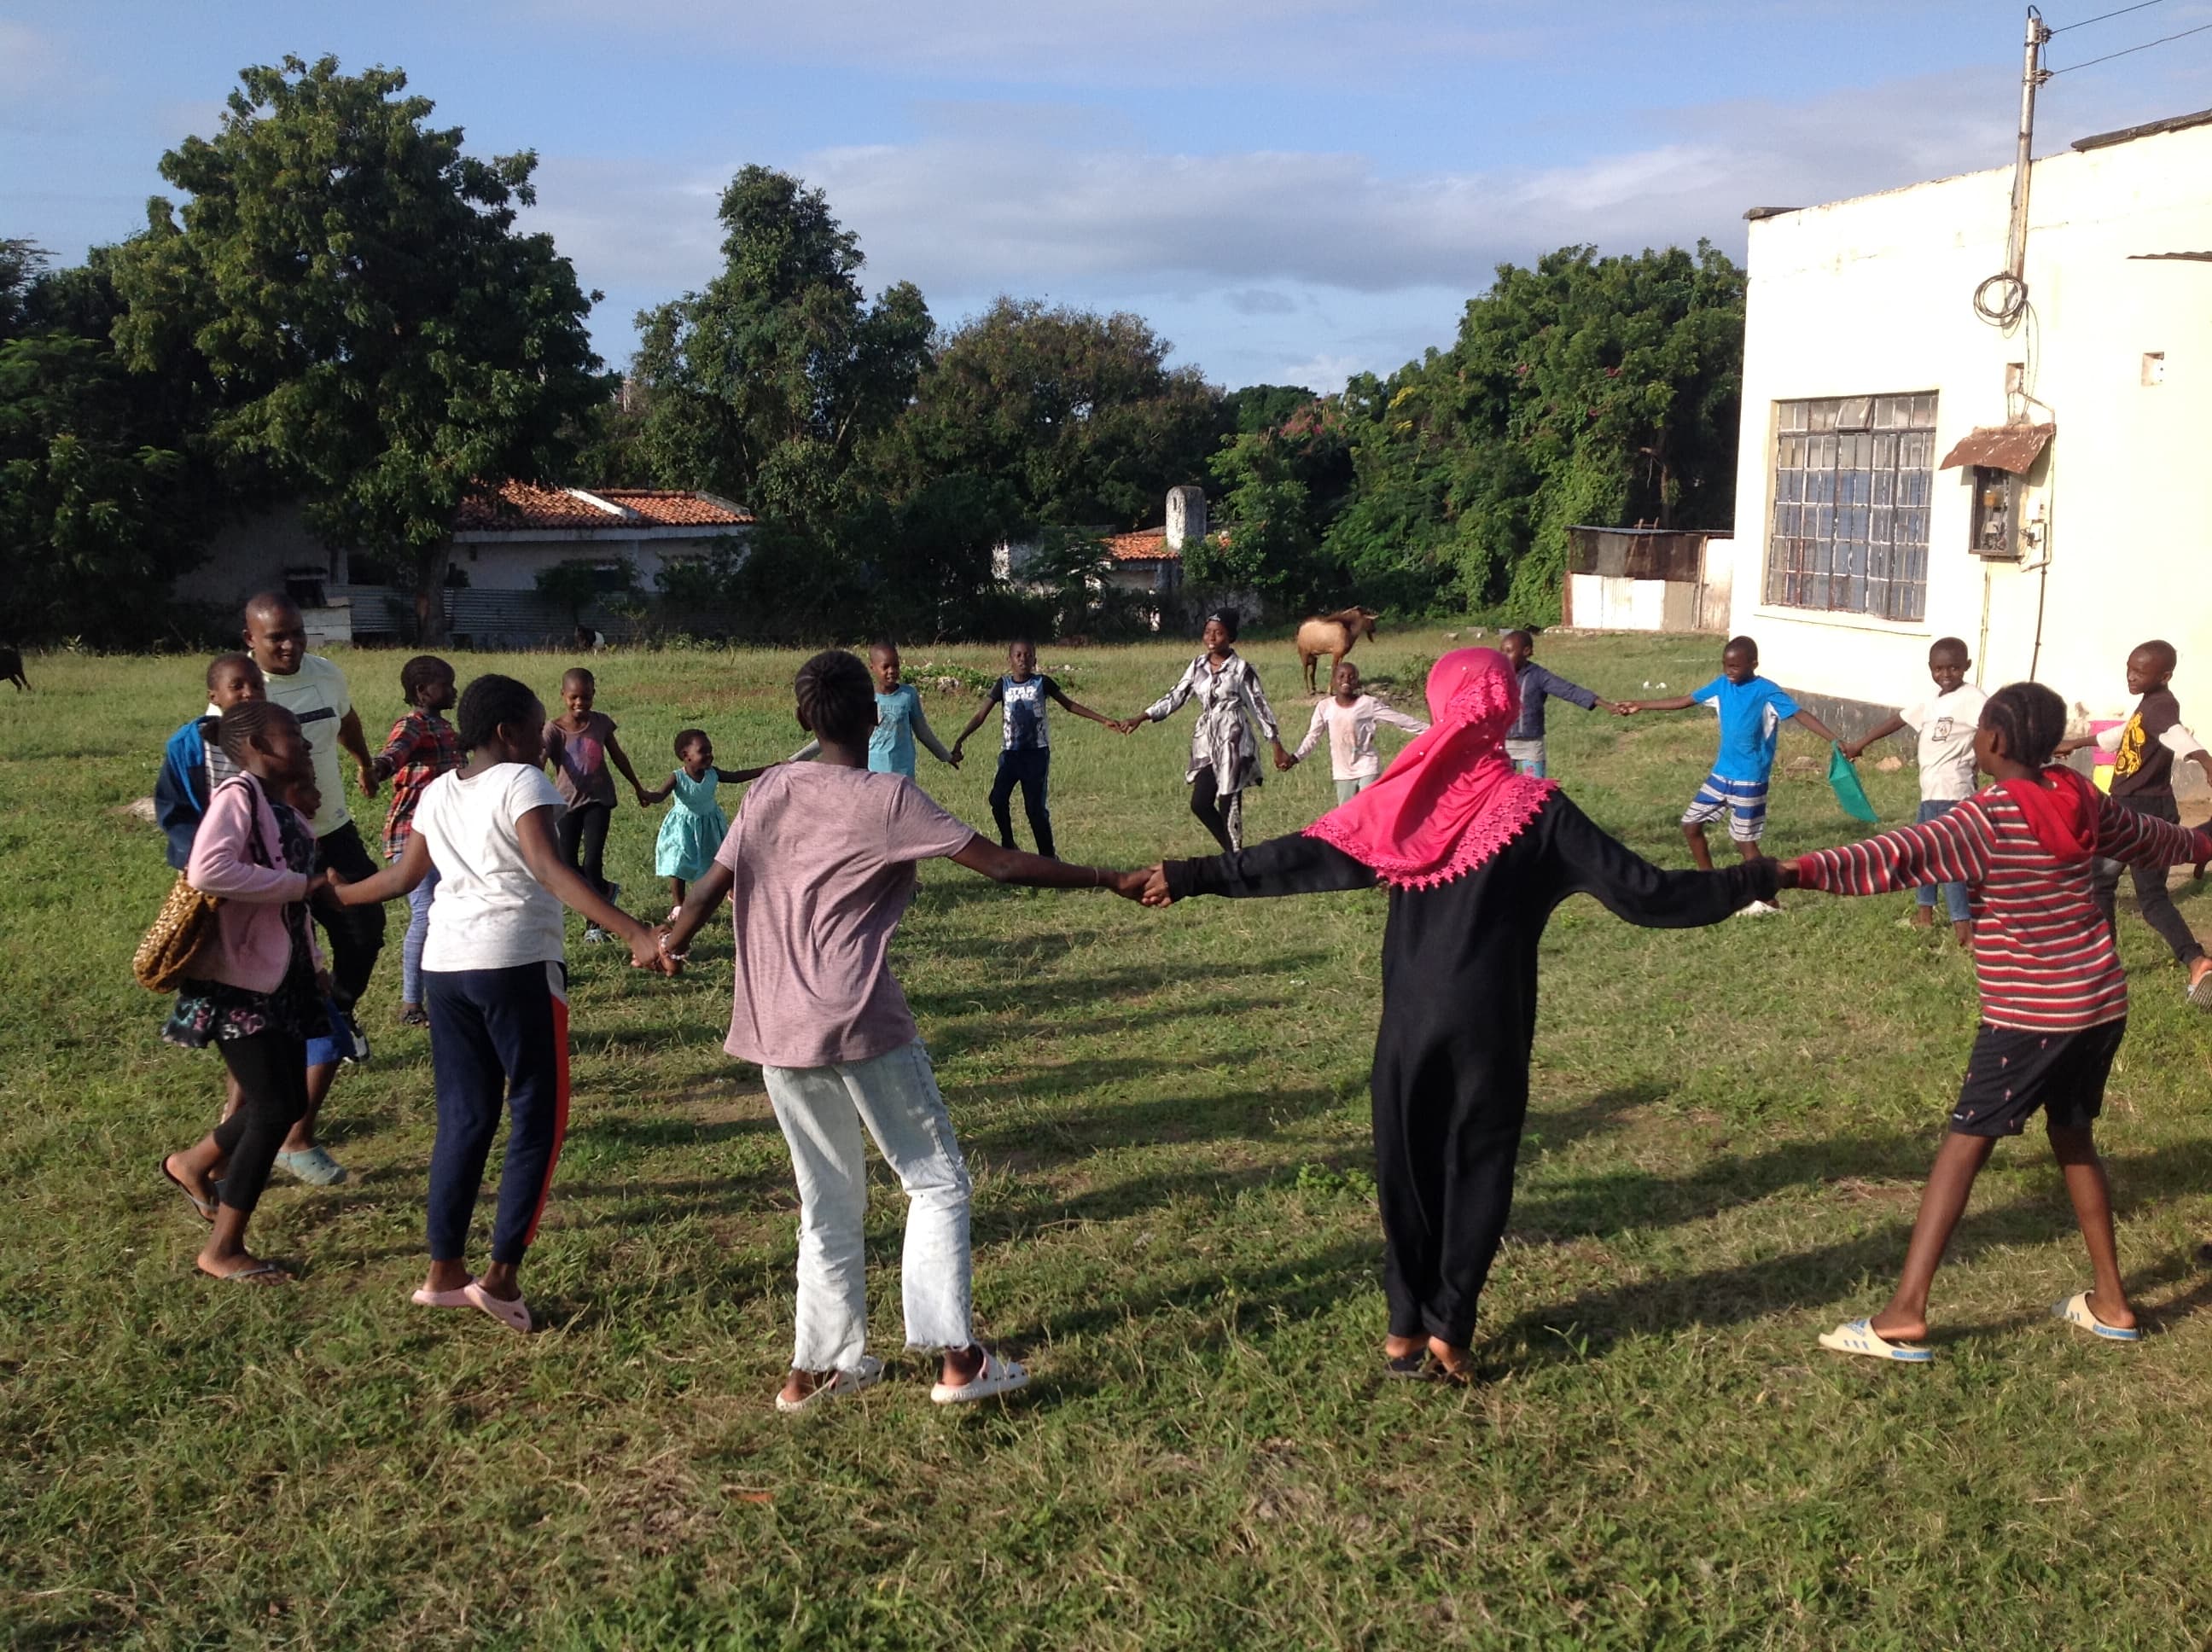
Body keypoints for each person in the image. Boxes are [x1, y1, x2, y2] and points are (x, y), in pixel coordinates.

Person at [1135, 649, 1776, 1382]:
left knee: (1406, 1168)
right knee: (1476, 1167)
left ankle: (1404, 1331)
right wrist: (1761, 874)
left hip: (1407, 1026)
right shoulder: (1541, 811)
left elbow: (1294, 859)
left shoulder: (1399, 804)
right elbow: (1654, 896)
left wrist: (1191, 876)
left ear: (1442, 708)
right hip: (1490, 1028)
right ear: (1505, 708)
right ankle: (1449, 1328)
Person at [657, 649, 1148, 1411]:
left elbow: (712, 886)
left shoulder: (771, 788)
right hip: (858, 1019)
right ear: (873, 715)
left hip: (773, 1024)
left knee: (827, 1201)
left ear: (801, 719)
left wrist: (671, 939)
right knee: (935, 1179)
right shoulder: (887, 800)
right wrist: (1106, 878)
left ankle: (816, 1370)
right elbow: (1005, 866)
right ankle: (958, 1360)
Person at [1784, 683, 2212, 1361]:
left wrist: (1793, 871)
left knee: (1963, 1146)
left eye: (1981, 727)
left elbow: (1896, 856)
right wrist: (2203, 839)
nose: (1975, 737)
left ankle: (1904, 1314)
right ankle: (2112, 1302)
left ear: (1998, 741)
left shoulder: (1983, 817)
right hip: (2100, 1005)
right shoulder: (2082, 797)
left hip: (2030, 1016)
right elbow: (2156, 839)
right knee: (2073, 1139)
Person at [335, 674, 667, 1333]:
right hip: (514, 964)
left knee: (464, 1117)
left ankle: (443, 1273)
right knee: (537, 1114)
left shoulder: (435, 793)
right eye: (538, 724)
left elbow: (404, 878)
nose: (545, 738)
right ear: (507, 733)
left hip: (446, 971)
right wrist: (636, 932)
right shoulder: (523, 782)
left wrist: (335, 895)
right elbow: (548, 867)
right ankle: (502, 1277)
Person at [157, 702, 347, 1283]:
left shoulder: (278, 804)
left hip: (280, 977)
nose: (304, 741)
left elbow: (293, 904)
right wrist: (304, 883)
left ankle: (193, 1164)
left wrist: (313, 962)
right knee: (270, 1109)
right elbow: (209, 871)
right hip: (237, 982)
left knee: (287, 1104)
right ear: (260, 748)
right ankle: (223, 1249)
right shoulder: (239, 796)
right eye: (291, 734)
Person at [240, 594, 384, 1057]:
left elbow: (346, 720)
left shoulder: (325, 673)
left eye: (297, 633)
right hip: (272, 841)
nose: (289, 645)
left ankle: (338, 1010)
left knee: (364, 927)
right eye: (276, 637)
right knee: (282, 946)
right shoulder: (239, 690)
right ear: (250, 639)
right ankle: (284, 1044)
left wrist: (363, 762)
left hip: (332, 828)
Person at [1621, 634, 1843, 916]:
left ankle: (1769, 900)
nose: (1729, 672)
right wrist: (1642, 704)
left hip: (1750, 779)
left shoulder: (1766, 691)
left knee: (1744, 842)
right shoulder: (1722, 686)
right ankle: (1711, 885)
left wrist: (1835, 741)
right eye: (1726, 665)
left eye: (1736, 667)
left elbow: (1801, 715)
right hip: (1721, 775)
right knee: (1690, 825)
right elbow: (1684, 700)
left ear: (1753, 664)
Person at [2057, 640, 2212, 1007]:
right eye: (2129, 668)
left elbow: (2177, 735)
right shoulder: (2150, 704)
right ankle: (2197, 961)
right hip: (2149, 810)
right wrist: (2077, 742)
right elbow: (2124, 733)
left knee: (2099, 883)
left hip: (2133, 814)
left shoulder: (2161, 708)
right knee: (2152, 899)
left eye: (2140, 672)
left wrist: (2205, 761)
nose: (2131, 676)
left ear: (2165, 675)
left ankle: (2101, 968)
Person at [1840, 637, 1987, 948]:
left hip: (1952, 793)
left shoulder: (1973, 698)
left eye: (1954, 668)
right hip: (1929, 793)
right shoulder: (1933, 700)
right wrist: (1859, 745)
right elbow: (1898, 720)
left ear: (1967, 667)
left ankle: (1965, 930)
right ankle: (1924, 915)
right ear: (1931, 669)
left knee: (1949, 860)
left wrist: (1981, 761)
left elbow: (1990, 728)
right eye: (1939, 668)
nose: (1946, 674)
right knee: (1923, 854)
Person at [1120, 609, 1290, 853]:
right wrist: (1142, 716)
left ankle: (1235, 861)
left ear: (1230, 637)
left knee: (1228, 800)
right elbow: (1176, 695)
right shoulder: (1198, 665)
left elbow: (1259, 706)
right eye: (1208, 632)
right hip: (1206, 743)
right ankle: (1236, 856)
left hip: (1233, 739)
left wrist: (1276, 745)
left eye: (1219, 633)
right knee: (1200, 803)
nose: (1212, 637)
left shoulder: (1241, 669)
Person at [950, 639, 1119, 859]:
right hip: (1011, 755)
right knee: (997, 800)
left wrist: (1103, 720)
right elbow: (981, 716)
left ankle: (1048, 858)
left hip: (1036, 756)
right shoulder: (1003, 685)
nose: (1023, 659)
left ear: (1035, 659)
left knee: (1034, 809)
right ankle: (1008, 844)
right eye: (1018, 655)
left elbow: (1069, 705)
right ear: (1009, 659)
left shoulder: (1042, 683)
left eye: (1028, 655)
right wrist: (961, 739)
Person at [369, 655, 461, 1027]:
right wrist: (377, 769)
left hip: (446, 832)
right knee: (425, 913)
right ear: (423, 691)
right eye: (447, 684)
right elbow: (395, 752)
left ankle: (447, 991)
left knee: (447, 912)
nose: (453, 690)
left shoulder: (444, 726)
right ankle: (411, 1003)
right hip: (411, 834)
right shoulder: (414, 724)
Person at [542, 666, 650, 945]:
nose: (580, 704)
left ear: (594, 694)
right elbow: (538, 763)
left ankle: (595, 924)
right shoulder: (554, 730)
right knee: (566, 862)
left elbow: (618, 757)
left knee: (592, 862)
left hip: (599, 801)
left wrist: (637, 786)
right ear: (563, 695)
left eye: (586, 697)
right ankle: (605, 891)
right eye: (574, 697)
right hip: (566, 804)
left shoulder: (601, 723)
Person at [637, 729, 773, 914]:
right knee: (679, 864)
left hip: (710, 824)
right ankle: (679, 905)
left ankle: (732, 891)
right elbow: (660, 795)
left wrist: (765, 770)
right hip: (684, 827)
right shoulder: (678, 777)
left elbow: (736, 777)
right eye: (703, 751)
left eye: (710, 750)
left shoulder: (713, 773)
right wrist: (648, 796)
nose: (709, 755)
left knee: (720, 859)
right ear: (686, 756)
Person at [789, 639, 961, 780]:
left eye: (896, 666)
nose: (892, 671)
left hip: (902, 774)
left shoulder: (908, 695)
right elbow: (833, 735)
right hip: (871, 774)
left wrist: (946, 756)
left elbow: (923, 732)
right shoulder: (863, 697)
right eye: (885, 667)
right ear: (872, 668)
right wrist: (794, 760)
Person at [156, 654, 265, 870]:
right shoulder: (187, 747)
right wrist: (194, 852)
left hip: (266, 853)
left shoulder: (275, 739)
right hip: (210, 857)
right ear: (214, 697)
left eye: (257, 685)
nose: (249, 693)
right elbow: (173, 807)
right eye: (237, 686)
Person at [1286, 660, 1428, 804]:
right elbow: (1313, 736)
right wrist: (1296, 757)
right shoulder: (1324, 707)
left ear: (1357, 682)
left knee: (1367, 809)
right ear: (1333, 680)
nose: (1346, 680)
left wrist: (1431, 730)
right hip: (1342, 771)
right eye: (1341, 676)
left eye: (1351, 677)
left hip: (1367, 766)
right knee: (1347, 816)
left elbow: (1399, 719)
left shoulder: (1368, 704)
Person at [1499, 629, 1625, 777]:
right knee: (1499, 789)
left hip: (1531, 745)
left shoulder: (1538, 676)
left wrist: (1605, 704)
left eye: (1509, 651)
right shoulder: (1496, 675)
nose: (1503, 657)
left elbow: (1568, 690)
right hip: (1501, 744)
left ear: (1526, 651)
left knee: (1535, 790)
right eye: (1501, 652)